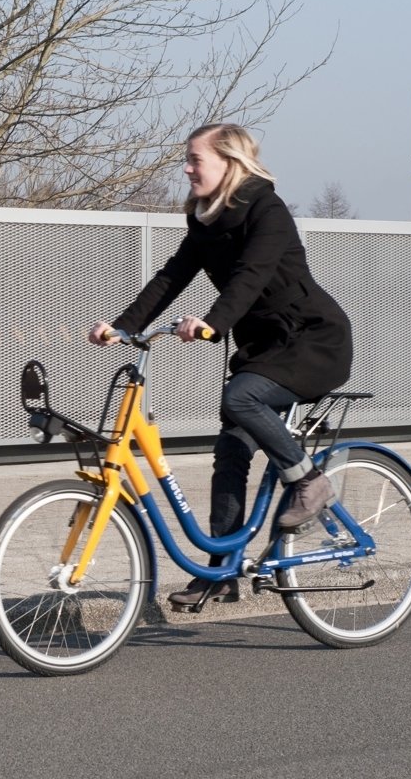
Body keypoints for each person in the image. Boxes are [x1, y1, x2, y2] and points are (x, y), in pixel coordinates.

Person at [87, 123, 353, 609]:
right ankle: (222, 571)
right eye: (185, 160)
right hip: (260, 350)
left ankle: (311, 482)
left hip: (310, 342)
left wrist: (211, 322)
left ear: (229, 163)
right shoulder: (206, 220)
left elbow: (250, 277)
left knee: (240, 398)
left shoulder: (266, 211)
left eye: (195, 160)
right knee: (231, 451)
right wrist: (123, 327)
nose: (187, 169)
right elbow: (173, 275)